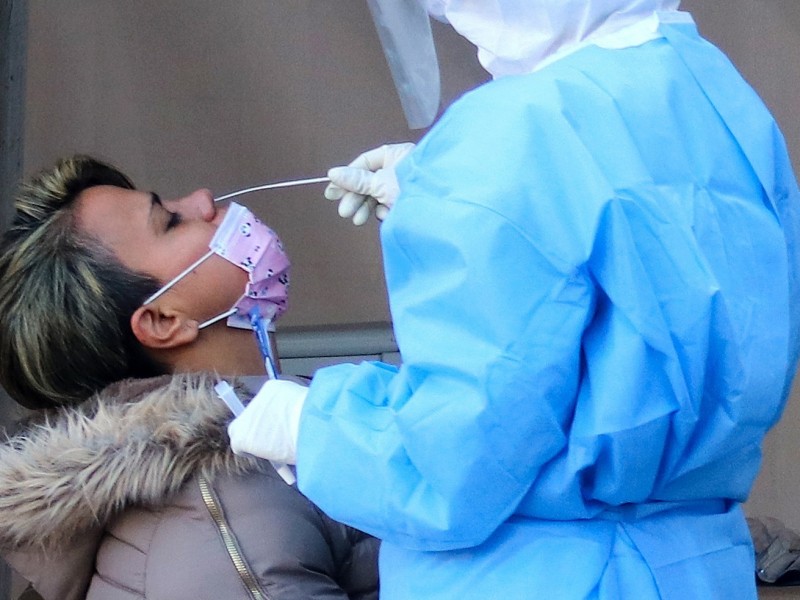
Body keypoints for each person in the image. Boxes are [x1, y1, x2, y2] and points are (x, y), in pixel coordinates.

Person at [227, 1, 800, 599]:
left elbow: (459, 464)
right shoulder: (709, 87)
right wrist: (451, 190)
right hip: (697, 568)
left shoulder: (504, 137)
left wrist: (315, 426)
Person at [0, 155, 380, 600]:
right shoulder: (220, 508)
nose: (203, 200)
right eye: (171, 221)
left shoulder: (257, 434)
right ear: (163, 321)